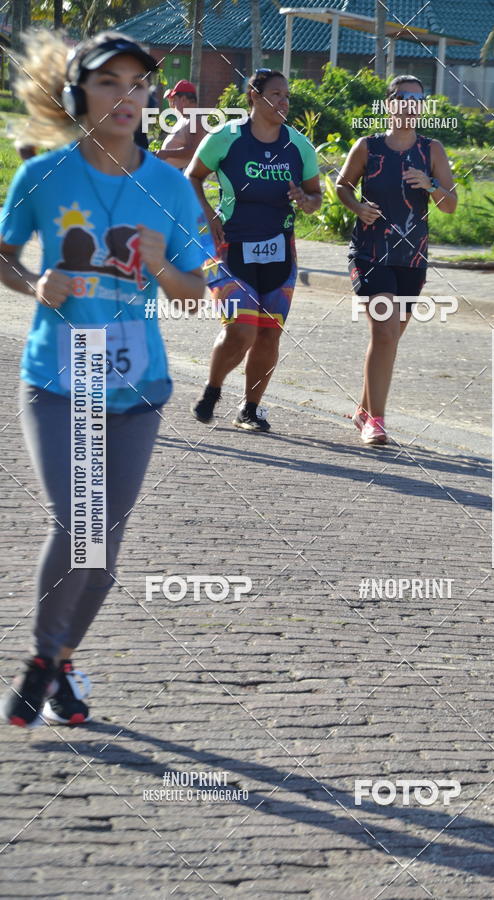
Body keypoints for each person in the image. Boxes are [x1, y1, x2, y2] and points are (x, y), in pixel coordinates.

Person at [0, 31, 217, 727]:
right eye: (108, 83)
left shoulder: (169, 188)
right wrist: (36, 283)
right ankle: (45, 654)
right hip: (57, 379)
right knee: (79, 520)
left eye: (139, 83)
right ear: (76, 95)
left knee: (103, 542)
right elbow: (2, 256)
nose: (128, 96)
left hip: (137, 390)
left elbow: (193, 294)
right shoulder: (41, 177)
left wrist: (161, 268)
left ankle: (57, 661)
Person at [186, 68, 322, 432]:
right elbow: (193, 176)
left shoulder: (299, 146)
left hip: (280, 250)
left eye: (287, 96)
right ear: (254, 96)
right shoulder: (226, 138)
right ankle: (213, 392)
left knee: (269, 332)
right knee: (241, 330)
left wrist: (304, 199)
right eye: (276, 94)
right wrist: (208, 214)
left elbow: (315, 200)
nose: (283, 102)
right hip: (229, 247)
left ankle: (250, 408)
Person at [336, 75, 456, 445]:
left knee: (388, 339)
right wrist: (357, 206)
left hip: (412, 257)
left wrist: (430, 185)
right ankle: (376, 421)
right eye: (403, 97)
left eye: (418, 99)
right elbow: (342, 185)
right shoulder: (367, 147)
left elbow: (450, 206)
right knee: (384, 331)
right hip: (371, 253)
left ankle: (362, 409)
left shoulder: (431, 150)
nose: (410, 104)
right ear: (389, 104)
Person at [155, 79, 205, 170]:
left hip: (179, 174)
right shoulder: (185, 118)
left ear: (183, 100)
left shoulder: (195, 120)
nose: (173, 104)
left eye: (175, 100)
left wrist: (166, 153)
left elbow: (193, 151)